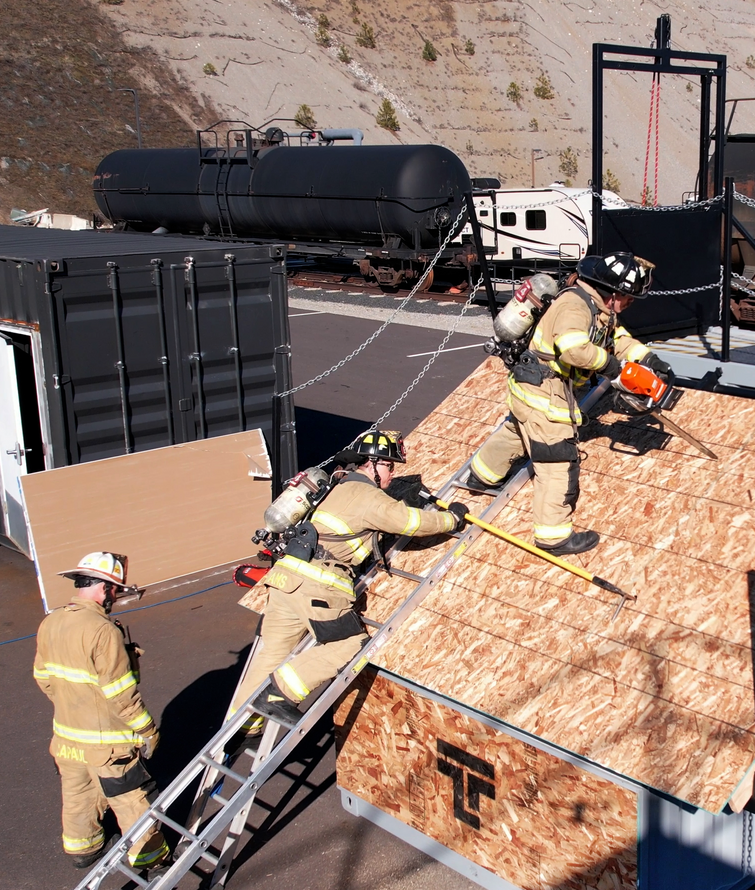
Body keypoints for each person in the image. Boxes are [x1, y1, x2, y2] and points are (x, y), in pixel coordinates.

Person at [463, 251, 673, 555]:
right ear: (614, 293)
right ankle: (553, 537)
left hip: (530, 388)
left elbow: (617, 338)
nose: (630, 304)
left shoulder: (598, 306)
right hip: (545, 392)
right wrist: (613, 368)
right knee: (557, 461)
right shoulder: (575, 305)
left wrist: (648, 359)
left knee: (517, 433)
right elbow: (573, 350)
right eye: (628, 298)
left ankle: (481, 476)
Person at [244, 429, 464, 719]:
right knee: (352, 644)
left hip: (284, 579)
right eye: (387, 465)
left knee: (270, 656)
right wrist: (452, 518)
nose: (391, 474)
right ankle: (279, 693)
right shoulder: (365, 494)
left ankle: (239, 731)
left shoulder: (336, 485)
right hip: (316, 586)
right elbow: (409, 521)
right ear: (369, 463)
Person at [34, 551, 169, 871]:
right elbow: (121, 695)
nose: (114, 597)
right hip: (108, 745)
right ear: (106, 588)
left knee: (78, 795)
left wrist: (74, 707)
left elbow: (43, 679)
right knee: (132, 798)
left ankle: (83, 849)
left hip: (66, 737)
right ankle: (149, 856)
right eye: (115, 590)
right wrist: (148, 730)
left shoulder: (50, 622)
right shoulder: (103, 631)